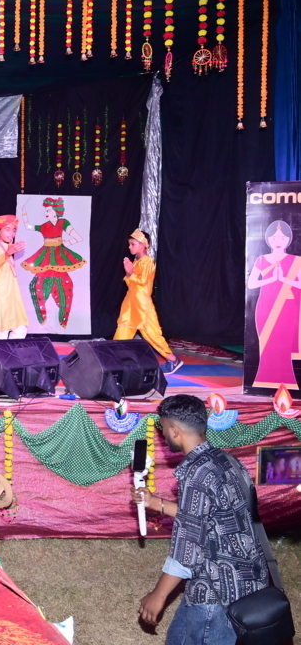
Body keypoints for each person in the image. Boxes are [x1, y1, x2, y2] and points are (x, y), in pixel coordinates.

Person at [133, 394, 268, 644]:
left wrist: (158, 595)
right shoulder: (227, 461)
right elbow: (210, 516)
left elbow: (188, 548)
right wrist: (155, 503)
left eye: (163, 428)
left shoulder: (196, 474)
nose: (163, 435)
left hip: (218, 593)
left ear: (175, 431)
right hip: (249, 577)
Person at [114, 229, 183, 374]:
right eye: (129, 244)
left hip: (142, 306)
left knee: (152, 334)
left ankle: (172, 359)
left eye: (133, 244)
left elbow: (143, 281)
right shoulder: (137, 262)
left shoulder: (147, 262)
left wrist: (130, 272)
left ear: (143, 245)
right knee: (121, 332)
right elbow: (131, 283)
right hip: (131, 304)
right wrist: (128, 273)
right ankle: (115, 363)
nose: (129, 247)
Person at [247, 220, 301, 389]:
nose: (278, 241)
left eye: (282, 238)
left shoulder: (296, 261)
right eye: (275, 237)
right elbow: (251, 284)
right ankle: (264, 380)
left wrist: (284, 279)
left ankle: (287, 382)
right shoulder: (261, 259)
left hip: (288, 310)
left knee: (283, 345)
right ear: (268, 239)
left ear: (288, 240)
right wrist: (270, 279)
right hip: (265, 308)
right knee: (267, 346)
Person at [20, 197, 85, 328]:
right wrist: (24, 213)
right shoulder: (44, 226)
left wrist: (66, 244)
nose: (46, 213)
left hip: (59, 256)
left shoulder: (63, 222)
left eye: (48, 210)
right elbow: (28, 226)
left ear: (56, 211)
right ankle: (43, 321)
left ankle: (62, 321)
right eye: (46, 210)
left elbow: (78, 237)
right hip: (45, 256)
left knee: (64, 285)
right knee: (36, 285)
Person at [0, 215, 29, 340]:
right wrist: (8, 253)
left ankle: (11, 351)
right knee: (2, 330)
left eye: (14, 230)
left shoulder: (7, 248)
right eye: (7, 229)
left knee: (21, 328)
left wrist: (9, 251)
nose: (11, 233)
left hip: (12, 296)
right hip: (1, 295)